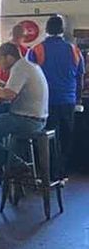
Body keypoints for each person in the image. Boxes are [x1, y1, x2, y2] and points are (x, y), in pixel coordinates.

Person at [0, 41, 49, 190]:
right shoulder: (28, 66)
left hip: (26, 120)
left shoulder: (20, 68)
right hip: (38, 119)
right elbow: (12, 88)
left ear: (9, 57)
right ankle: (5, 169)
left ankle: (14, 165)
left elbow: (9, 94)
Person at [27, 15, 84, 173]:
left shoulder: (37, 50)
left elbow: (28, 76)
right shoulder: (74, 50)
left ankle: (46, 172)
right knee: (65, 138)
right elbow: (80, 77)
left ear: (46, 30)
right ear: (62, 30)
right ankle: (61, 173)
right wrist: (78, 99)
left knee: (46, 138)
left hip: (44, 103)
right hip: (68, 101)